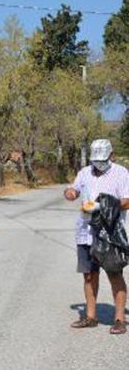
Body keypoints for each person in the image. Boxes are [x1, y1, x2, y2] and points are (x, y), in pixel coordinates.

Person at [64, 139, 128, 335]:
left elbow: (126, 201)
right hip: (86, 231)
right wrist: (71, 192)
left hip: (110, 234)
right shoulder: (85, 172)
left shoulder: (121, 173)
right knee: (89, 275)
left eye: (103, 159)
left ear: (112, 155)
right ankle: (91, 316)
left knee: (114, 273)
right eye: (96, 160)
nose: (99, 164)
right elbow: (73, 190)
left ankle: (119, 319)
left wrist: (103, 206)